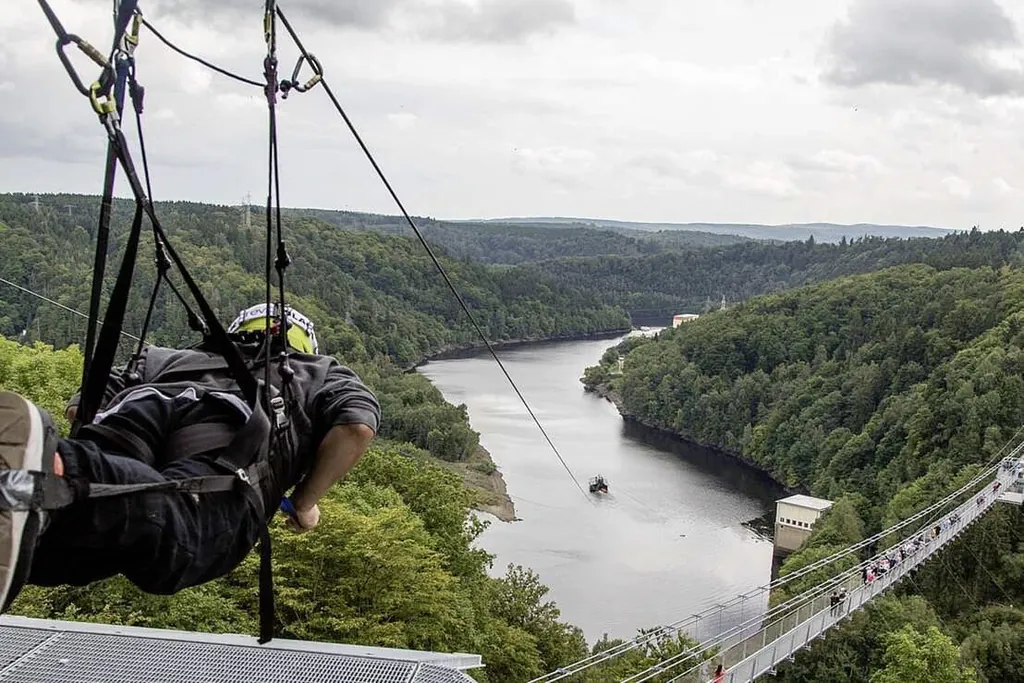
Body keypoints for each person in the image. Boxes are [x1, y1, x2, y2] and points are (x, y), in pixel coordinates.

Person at [0, 302, 380, 612]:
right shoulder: (320, 370)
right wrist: (303, 502)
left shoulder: (164, 357)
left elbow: (82, 407)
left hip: (134, 411)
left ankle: (39, 476)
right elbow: (356, 427)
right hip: (224, 435)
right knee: (182, 541)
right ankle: (55, 465)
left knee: (65, 543)